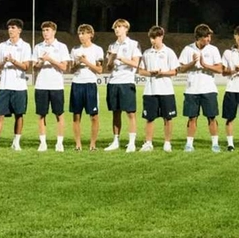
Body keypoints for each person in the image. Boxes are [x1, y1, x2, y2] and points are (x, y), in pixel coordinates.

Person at [0, 19, 31, 152]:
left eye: (13, 27)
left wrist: (13, 61)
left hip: (19, 87)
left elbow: (26, 66)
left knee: (19, 115)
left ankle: (16, 142)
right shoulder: (2, 46)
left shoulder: (25, 46)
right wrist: (4, 61)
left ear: (19, 30)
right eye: (9, 27)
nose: (10, 30)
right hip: (4, 86)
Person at [177, 24, 224, 152]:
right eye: (206, 36)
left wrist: (204, 65)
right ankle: (189, 144)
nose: (209, 38)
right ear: (199, 37)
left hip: (209, 89)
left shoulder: (213, 49)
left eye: (209, 36)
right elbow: (180, 69)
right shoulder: (188, 49)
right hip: (192, 89)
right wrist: (192, 63)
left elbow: (220, 69)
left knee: (212, 117)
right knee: (192, 117)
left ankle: (215, 144)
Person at [30, 21, 70, 152]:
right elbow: (34, 68)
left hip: (56, 86)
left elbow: (64, 67)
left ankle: (59, 142)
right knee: (41, 115)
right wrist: (41, 61)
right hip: (41, 85)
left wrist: (50, 59)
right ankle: (42, 142)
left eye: (47, 30)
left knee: (59, 114)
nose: (45, 32)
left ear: (54, 31)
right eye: (43, 30)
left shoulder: (61, 47)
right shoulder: (38, 47)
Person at [138, 25, 179, 152]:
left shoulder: (169, 52)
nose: (152, 40)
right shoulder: (146, 53)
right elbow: (140, 71)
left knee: (168, 118)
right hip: (150, 90)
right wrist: (151, 73)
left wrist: (163, 73)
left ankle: (167, 143)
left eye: (155, 38)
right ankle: (148, 143)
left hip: (166, 90)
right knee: (149, 118)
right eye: (151, 38)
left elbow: (175, 71)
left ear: (161, 37)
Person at [102, 19, 141, 152]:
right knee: (115, 113)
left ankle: (131, 142)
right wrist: (111, 60)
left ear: (126, 29)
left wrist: (120, 58)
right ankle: (115, 141)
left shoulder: (133, 44)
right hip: (113, 82)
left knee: (130, 113)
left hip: (127, 82)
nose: (117, 29)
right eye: (115, 27)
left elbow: (136, 64)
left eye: (120, 27)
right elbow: (108, 67)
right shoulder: (112, 45)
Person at [68, 24, 104, 151]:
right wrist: (78, 64)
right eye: (79, 34)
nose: (81, 36)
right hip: (77, 84)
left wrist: (86, 62)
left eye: (84, 33)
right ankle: (78, 144)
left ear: (91, 35)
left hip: (90, 84)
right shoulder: (75, 49)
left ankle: (92, 144)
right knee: (76, 116)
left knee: (94, 116)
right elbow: (71, 70)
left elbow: (99, 69)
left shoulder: (97, 50)